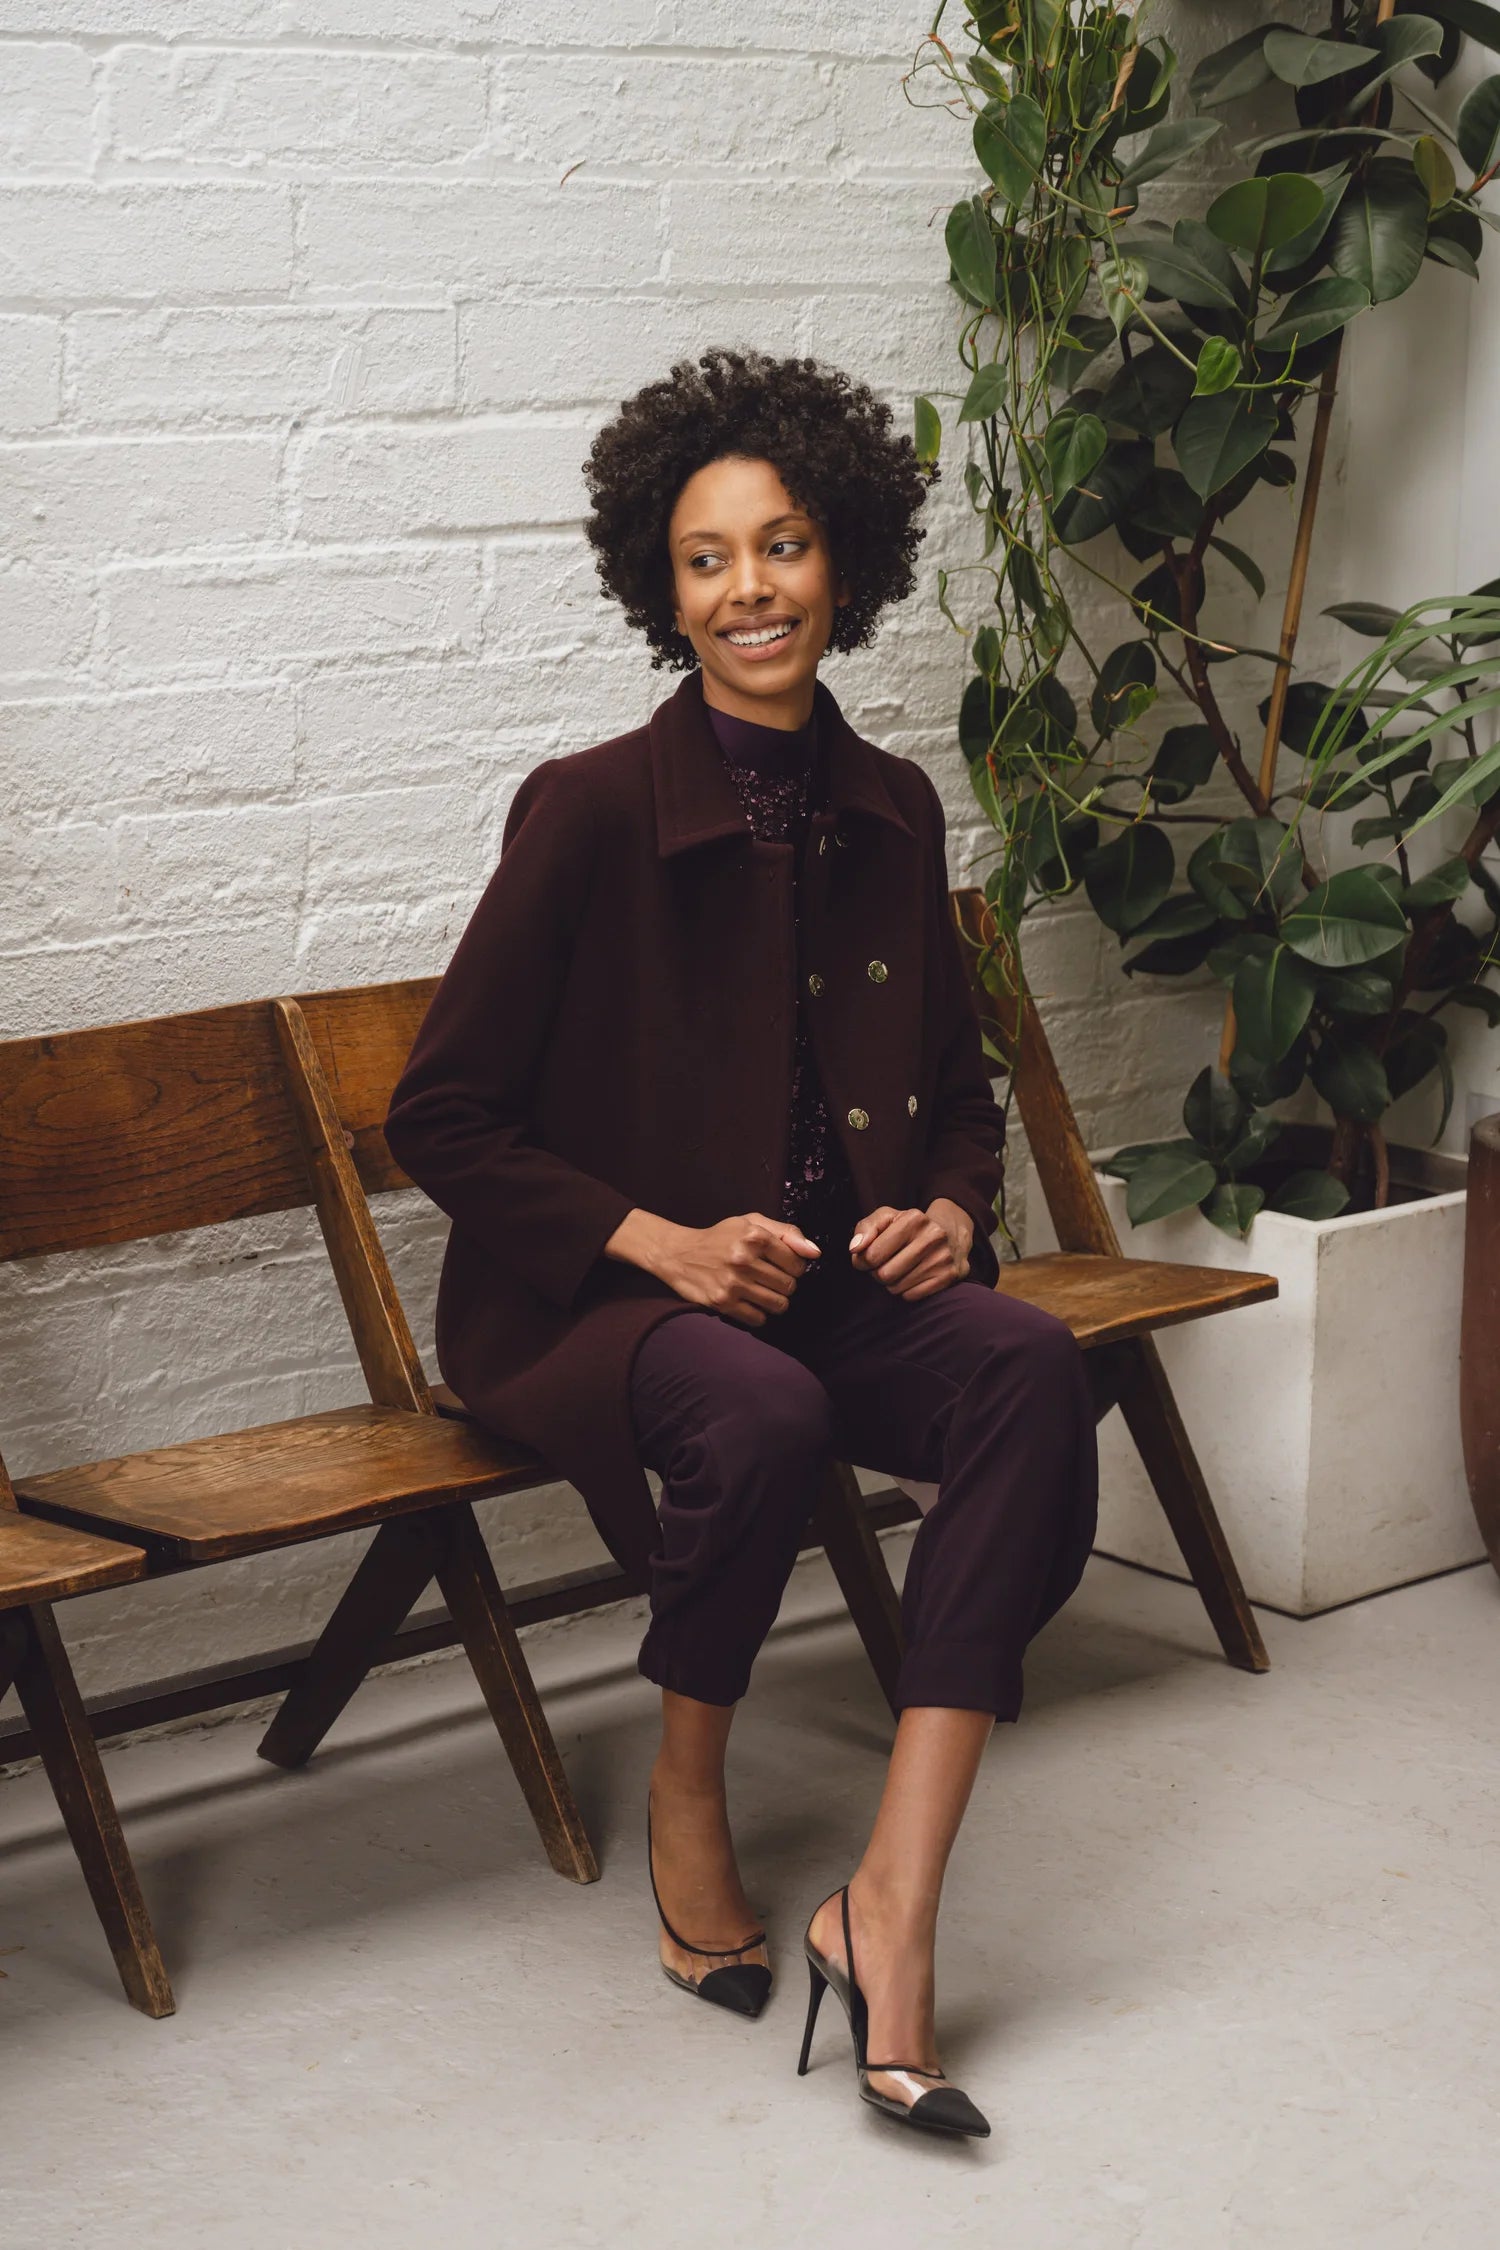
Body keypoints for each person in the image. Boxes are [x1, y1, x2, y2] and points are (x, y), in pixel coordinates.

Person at [384, 347, 1098, 2140]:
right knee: (762, 1416)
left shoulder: (894, 806)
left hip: (834, 1287)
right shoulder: (587, 809)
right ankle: (686, 1784)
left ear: (841, 561)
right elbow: (441, 1118)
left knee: (1025, 1361)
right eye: (708, 559)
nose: (750, 588)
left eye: (782, 547)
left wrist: (950, 1205)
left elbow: (957, 1080)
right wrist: (662, 1245)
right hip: (599, 1303)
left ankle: (894, 1903)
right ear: (662, 585)